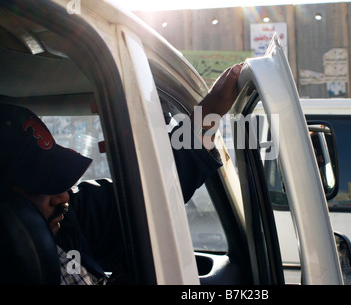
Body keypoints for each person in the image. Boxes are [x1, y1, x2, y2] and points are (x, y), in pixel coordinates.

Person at [0, 63, 243, 284]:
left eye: (59, 180)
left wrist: (209, 112)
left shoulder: (71, 218)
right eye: (42, 185)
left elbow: (149, 197)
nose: (62, 196)